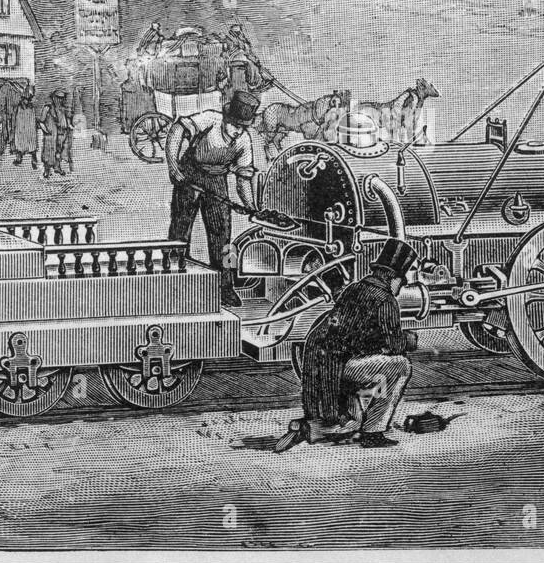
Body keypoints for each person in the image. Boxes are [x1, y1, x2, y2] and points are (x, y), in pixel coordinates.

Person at [275, 238, 420, 452]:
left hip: (325, 366)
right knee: (400, 366)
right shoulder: (386, 299)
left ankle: (308, 428)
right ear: (394, 279)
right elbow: (392, 344)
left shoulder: (354, 288)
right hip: (344, 367)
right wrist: (409, 340)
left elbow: (358, 335)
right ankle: (374, 432)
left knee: (352, 423)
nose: (400, 288)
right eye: (402, 282)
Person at [165, 90, 262, 306]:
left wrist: (250, 206)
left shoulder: (244, 142)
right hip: (190, 173)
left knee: (223, 236)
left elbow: (243, 179)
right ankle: (171, 282)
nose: (238, 131)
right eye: (235, 125)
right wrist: (173, 165)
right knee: (180, 230)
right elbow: (176, 130)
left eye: (242, 127)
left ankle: (225, 288)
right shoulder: (209, 120)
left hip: (217, 181)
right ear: (227, 119)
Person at [40, 89, 73, 178]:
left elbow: (66, 120)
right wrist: (46, 131)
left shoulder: (63, 109)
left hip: (62, 133)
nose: (60, 100)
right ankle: (46, 170)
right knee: (48, 153)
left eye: (62, 98)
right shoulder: (48, 108)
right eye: (58, 98)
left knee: (59, 152)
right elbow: (41, 122)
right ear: (54, 98)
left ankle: (57, 167)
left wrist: (69, 126)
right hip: (51, 135)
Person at [11, 87, 40, 169]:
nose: (27, 101)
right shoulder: (19, 108)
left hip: (30, 130)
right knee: (20, 145)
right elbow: (16, 119)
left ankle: (34, 162)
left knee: (32, 146)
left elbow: (33, 119)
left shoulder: (31, 108)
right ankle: (19, 159)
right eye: (25, 99)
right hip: (20, 129)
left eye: (28, 99)